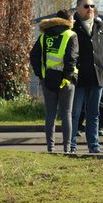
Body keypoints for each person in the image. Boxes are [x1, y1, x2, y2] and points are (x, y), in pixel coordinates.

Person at [69, 0, 103, 153]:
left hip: (97, 77)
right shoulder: (72, 27)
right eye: (86, 6)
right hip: (79, 78)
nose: (90, 9)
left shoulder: (100, 26)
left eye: (92, 6)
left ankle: (94, 146)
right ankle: (71, 146)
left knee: (93, 114)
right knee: (75, 113)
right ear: (78, 8)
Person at [29, 9, 78, 153]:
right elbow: (72, 58)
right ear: (68, 19)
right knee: (66, 114)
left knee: (50, 114)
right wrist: (67, 77)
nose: (74, 21)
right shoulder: (71, 34)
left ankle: (50, 148)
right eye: (73, 18)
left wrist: (40, 75)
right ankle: (67, 148)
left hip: (48, 79)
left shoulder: (44, 36)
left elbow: (34, 56)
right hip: (66, 81)